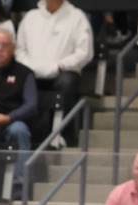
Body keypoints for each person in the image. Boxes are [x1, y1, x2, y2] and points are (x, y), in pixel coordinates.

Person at [15, 0, 93, 147]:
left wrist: (60, 66)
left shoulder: (77, 17)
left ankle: (64, 135)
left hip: (62, 72)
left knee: (67, 82)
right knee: (20, 81)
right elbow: (19, 50)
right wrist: (31, 67)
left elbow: (84, 53)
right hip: (32, 72)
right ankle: (31, 136)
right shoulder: (31, 17)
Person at [0, 27, 39, 152]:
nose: (0, 49)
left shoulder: (25, 73)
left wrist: (9, 118)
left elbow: (31, 105)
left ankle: (21, 172)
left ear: (13, 48)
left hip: (11, 122)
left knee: (19, 130)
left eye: (5, 45)